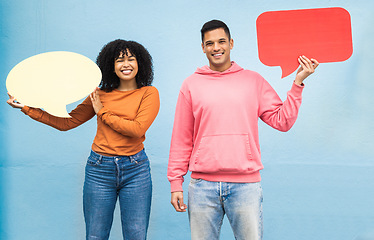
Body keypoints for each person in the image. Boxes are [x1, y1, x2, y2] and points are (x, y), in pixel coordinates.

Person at [167, 20, 319, 240]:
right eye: (209, 43)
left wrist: (297, 83)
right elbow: (181, 137)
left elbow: (282, 121)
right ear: (203, 47)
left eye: (221, 41)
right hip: (201, 187)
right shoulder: (190, 85)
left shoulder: (253, 81)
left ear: (231, 43)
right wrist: (175, 183)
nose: (216, 47)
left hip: (245, 186)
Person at [7, 39, 160, 240]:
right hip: (99, 169)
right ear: (110, 66)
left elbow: (136, 129)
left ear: (140, 63)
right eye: (119, 60)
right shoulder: (99, 95)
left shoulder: (148, 93)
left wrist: (102, 112)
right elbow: (66, 123)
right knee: (95, 235)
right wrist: (27, 109)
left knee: (136, 235)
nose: (126, 65)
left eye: (131, 59)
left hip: (135, 169)